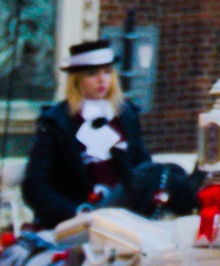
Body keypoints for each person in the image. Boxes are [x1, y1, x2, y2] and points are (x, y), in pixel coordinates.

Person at [18, 37, 192, 231]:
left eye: (107, 72)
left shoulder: (126, 115)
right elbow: (34, 185)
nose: (102, 80)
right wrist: (76, 212)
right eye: (92, 74)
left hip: (128, 215)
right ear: (77, 80)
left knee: (165, 174)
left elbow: (142, 166)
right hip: (80, 217)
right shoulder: (56, 122)